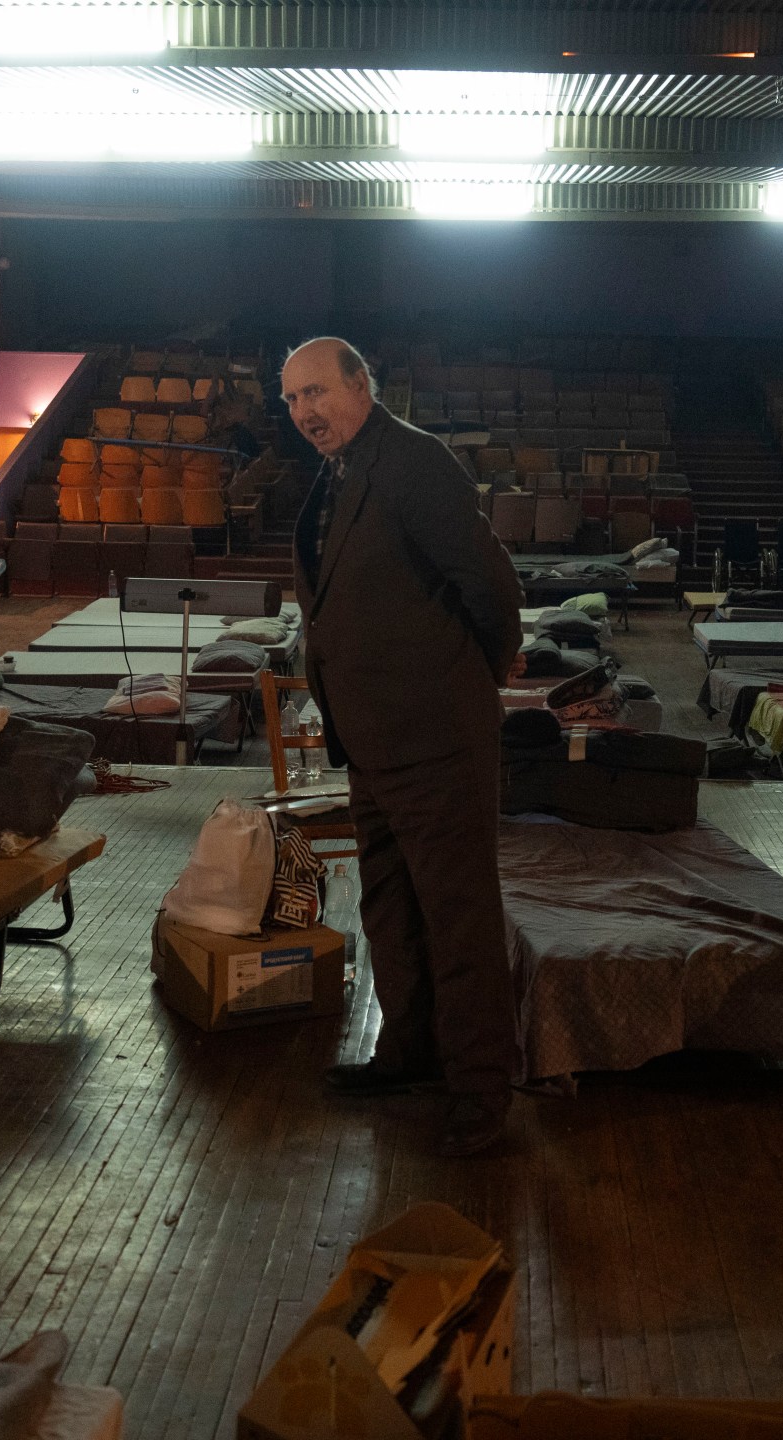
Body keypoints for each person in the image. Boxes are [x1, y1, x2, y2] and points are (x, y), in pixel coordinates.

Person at [280, 337, 526, 1157]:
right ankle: (410, 1054)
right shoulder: (342, 470)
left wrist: (467, 684)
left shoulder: (415, 462)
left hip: (436, 737)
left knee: (458, 920)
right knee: (391, 908)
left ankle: (480, 1092)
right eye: (291, 400)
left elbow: (492, 589)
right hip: (373, 739)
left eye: (317, 392)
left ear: (362, 385)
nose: (304, 412)